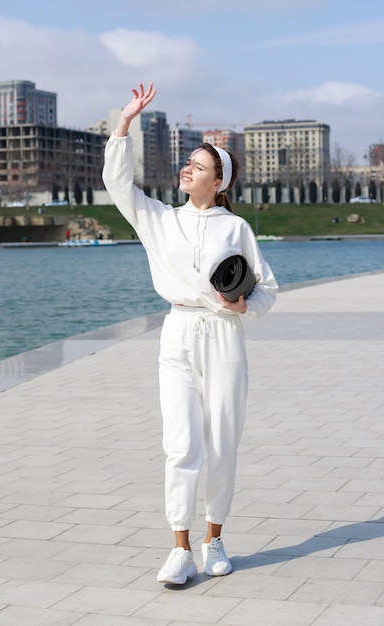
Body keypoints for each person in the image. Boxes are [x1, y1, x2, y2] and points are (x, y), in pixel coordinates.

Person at [102, 83, 278, 585]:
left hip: (224, 335)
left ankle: (214, 539)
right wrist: (125, 123)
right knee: (180, 443)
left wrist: (245, 304)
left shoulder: (236, 227)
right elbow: (118, 185)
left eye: (199, 166)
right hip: (176, 333)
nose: (187, 170)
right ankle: (179, 548)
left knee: (223, 441)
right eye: (187, 164)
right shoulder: (158, 218)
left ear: (218, 181)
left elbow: (267, 288)